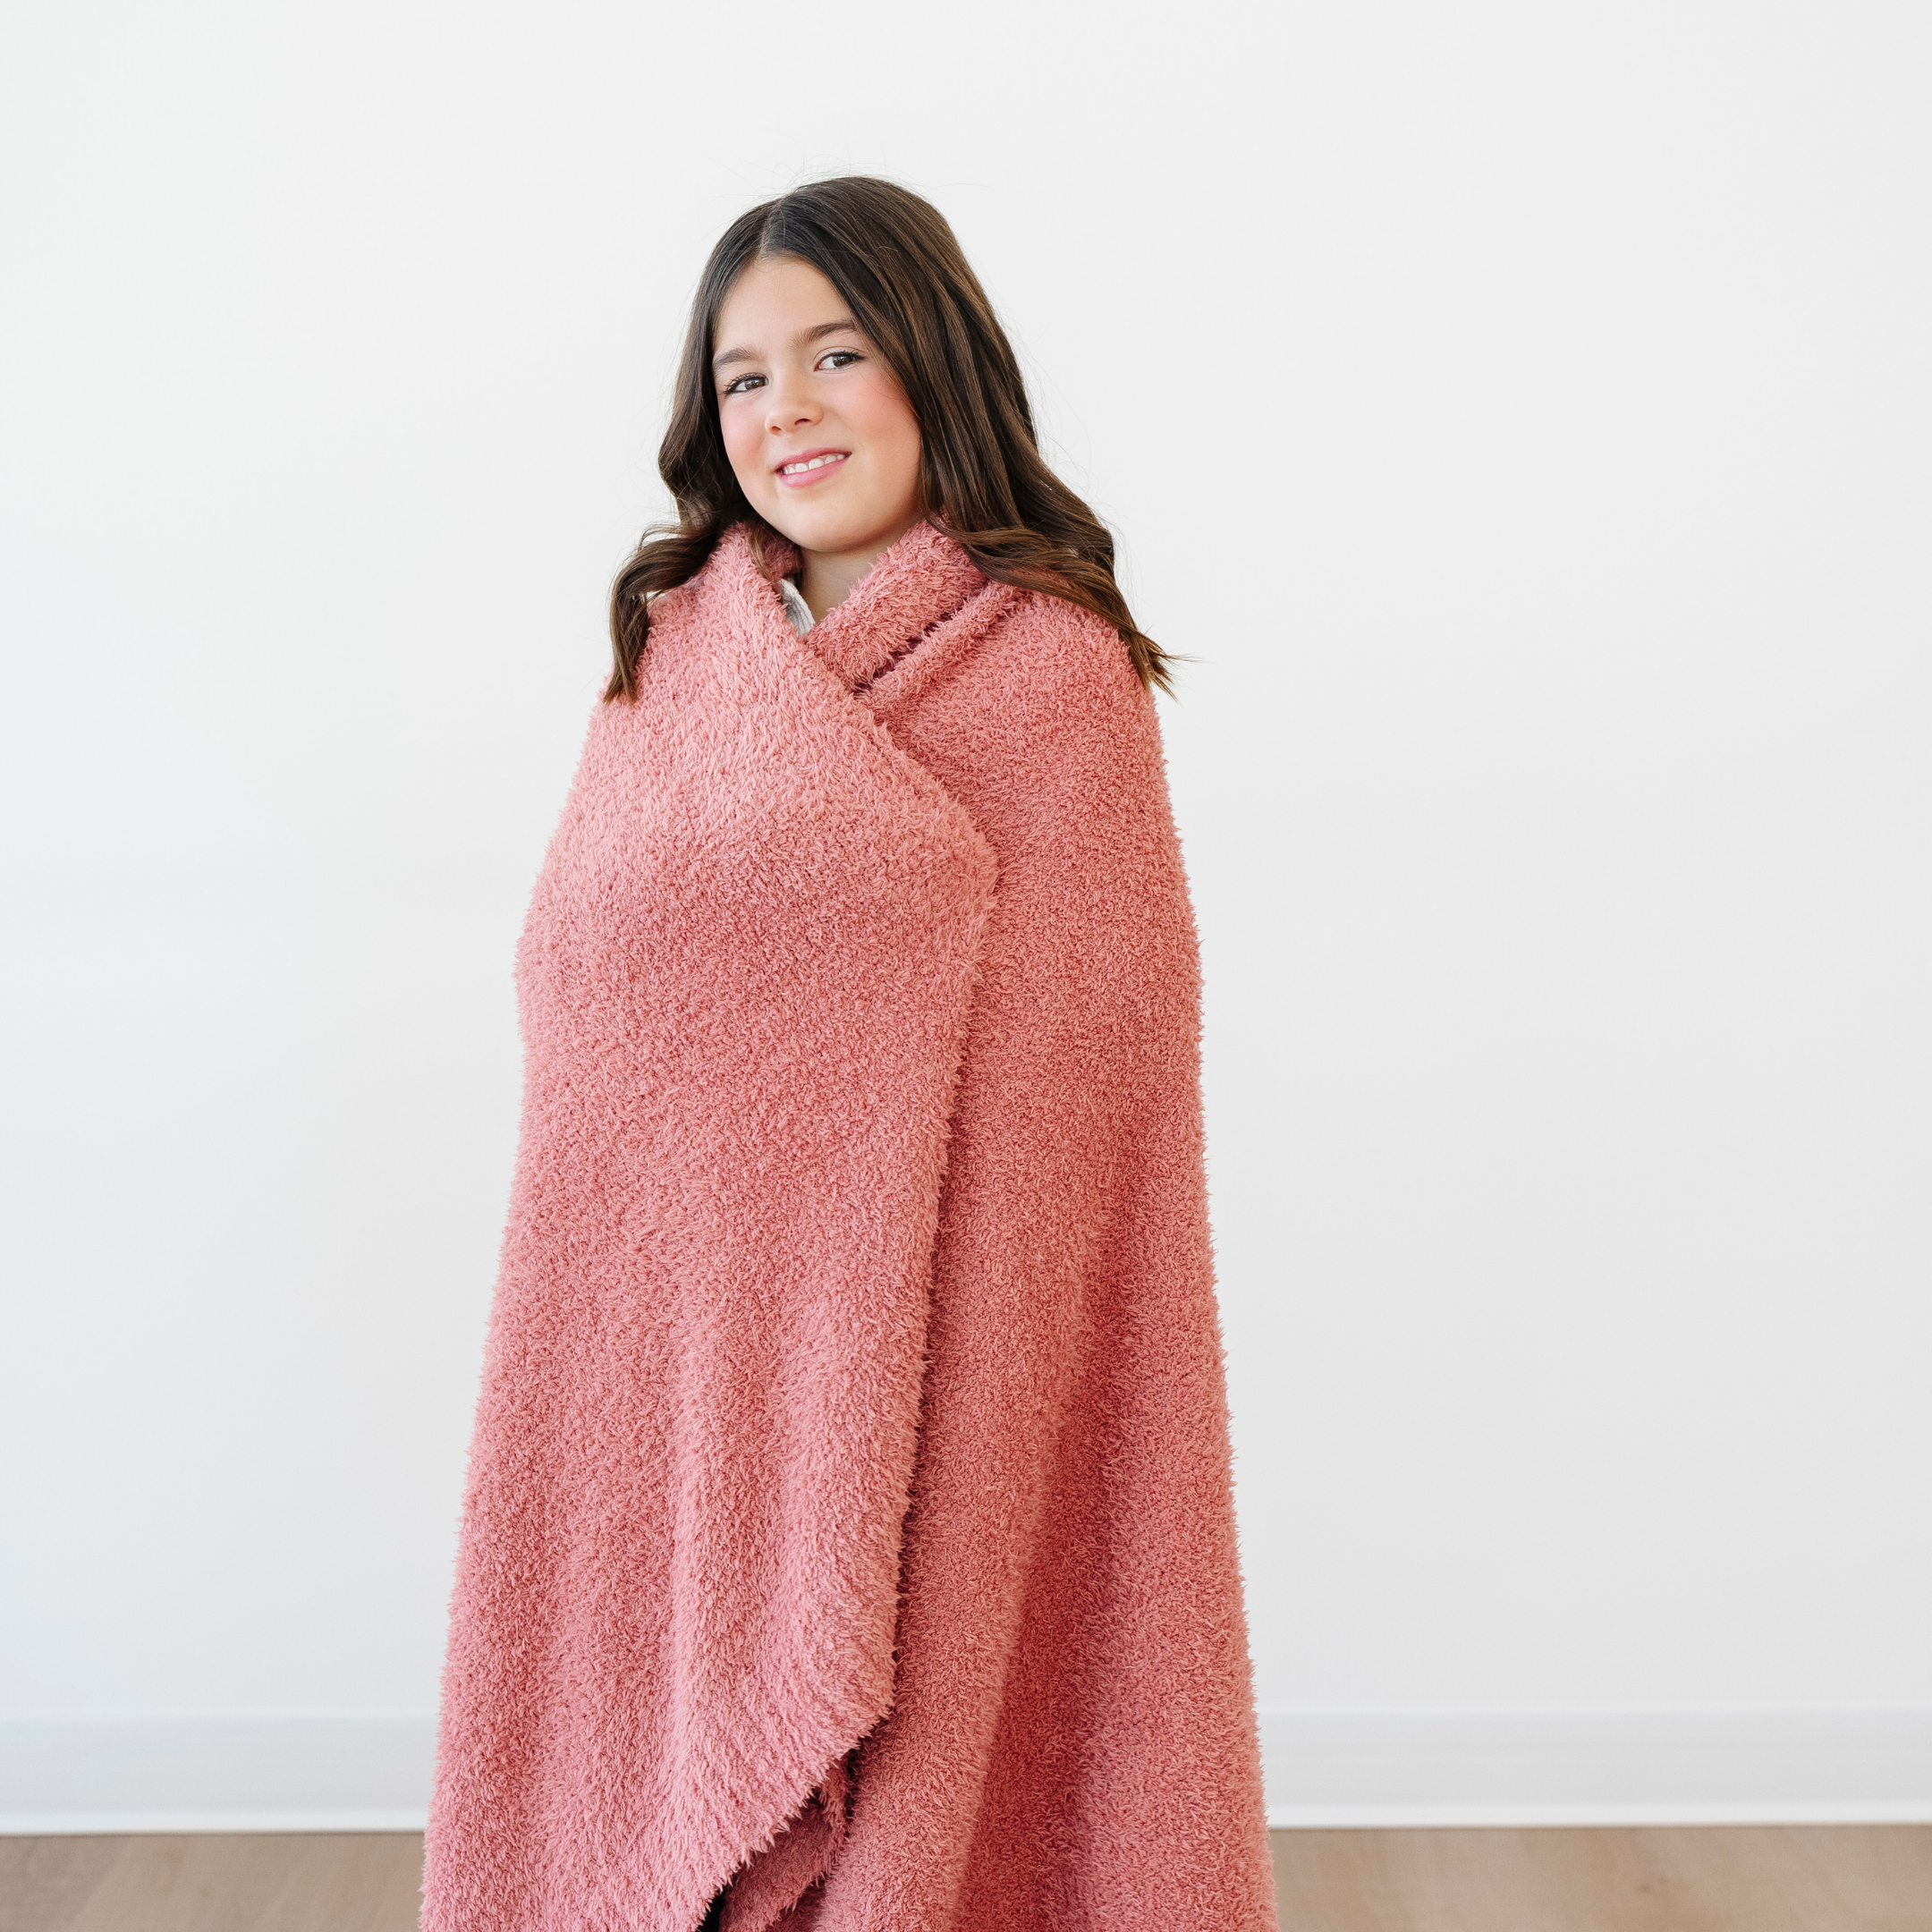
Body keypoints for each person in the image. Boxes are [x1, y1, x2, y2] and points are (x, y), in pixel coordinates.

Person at [422, 176, 1277, 1932]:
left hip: (958, 1315)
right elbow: (575, 975)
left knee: (949, 1705)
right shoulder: (677, 655)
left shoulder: (1054, 669)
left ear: (930, 360)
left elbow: (1094, 1055)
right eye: (743, 377)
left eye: (835, 353)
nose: (786, 408)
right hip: (683, 1336)